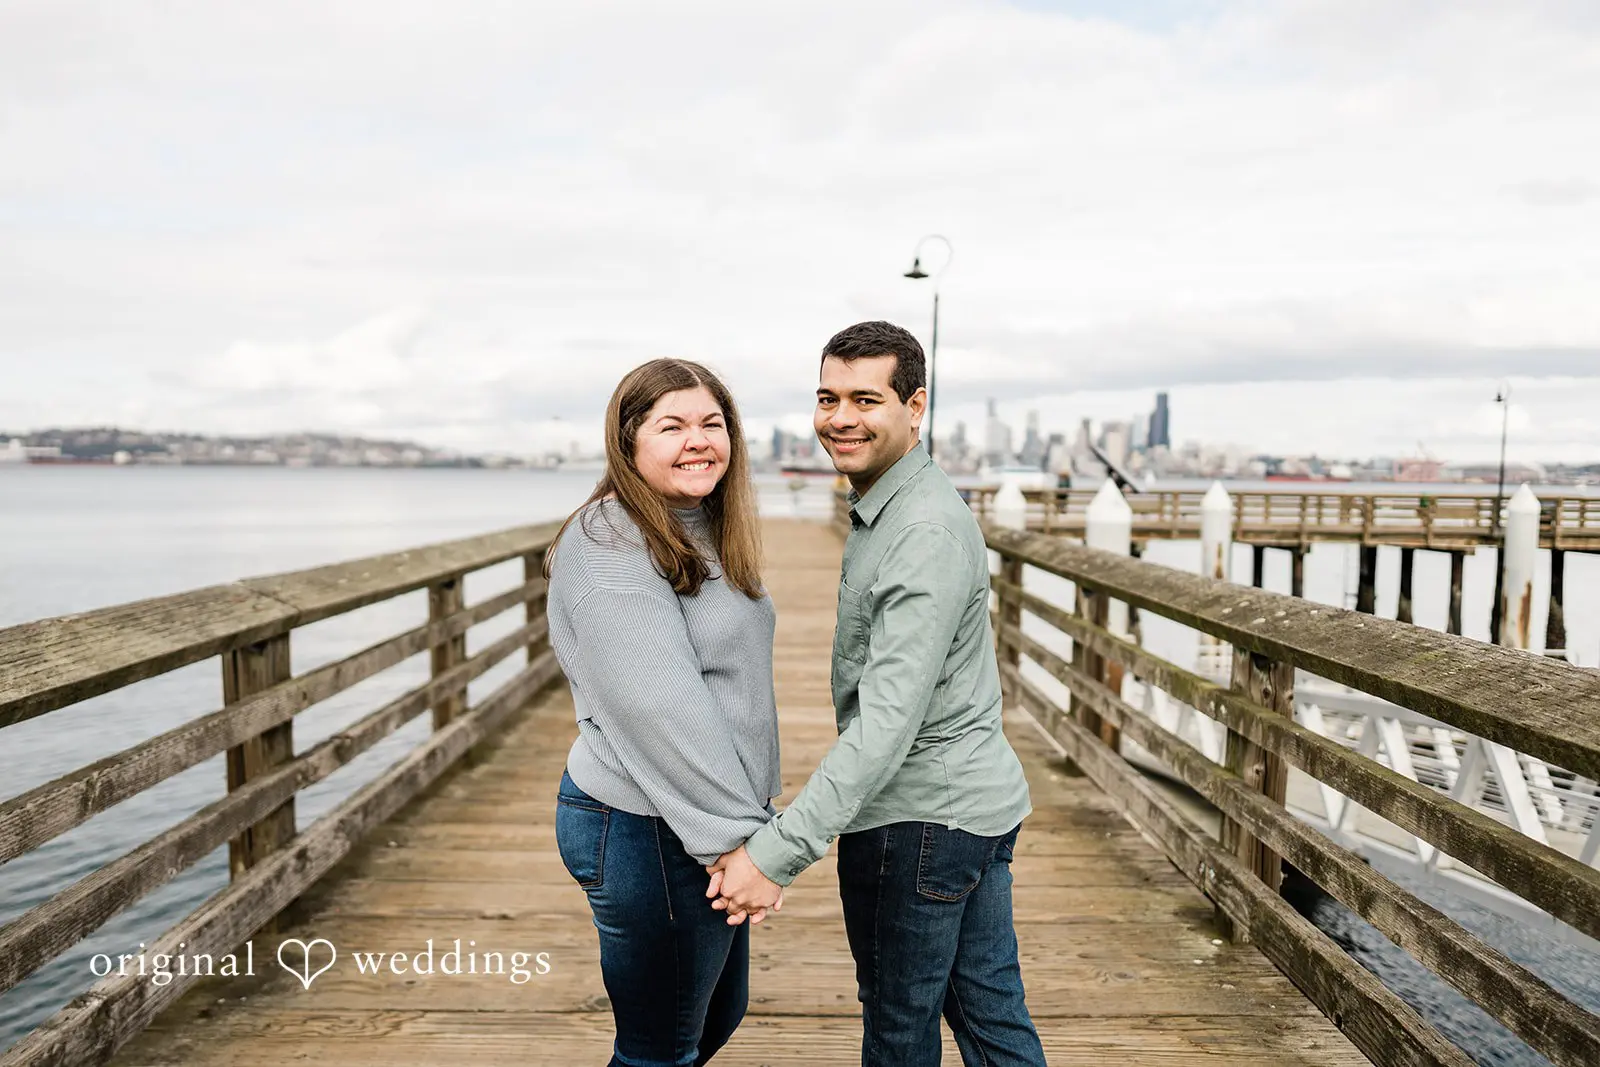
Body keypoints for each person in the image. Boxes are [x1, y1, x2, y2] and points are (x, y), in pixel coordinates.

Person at [708, 321, 1047, 1065]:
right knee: (993, 1021)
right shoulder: (895, 505)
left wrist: (775, 853)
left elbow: (886, 727)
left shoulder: (919, 530)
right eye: (828, 397)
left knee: (899, 1034)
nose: (841, 417)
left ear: (915, 406)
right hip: (971, 806)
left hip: (920, 822)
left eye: (867, 398)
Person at [545, 358, 783, 1067]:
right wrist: (740, 845)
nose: (697, 440)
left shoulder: (701, 525)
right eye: (671, 425)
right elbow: (658, 704)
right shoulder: (610, 538)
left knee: (711, 1019)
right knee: (660, 1048)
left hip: (694, 817)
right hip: (645, 826)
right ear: (628, 441)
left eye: (712, 424)